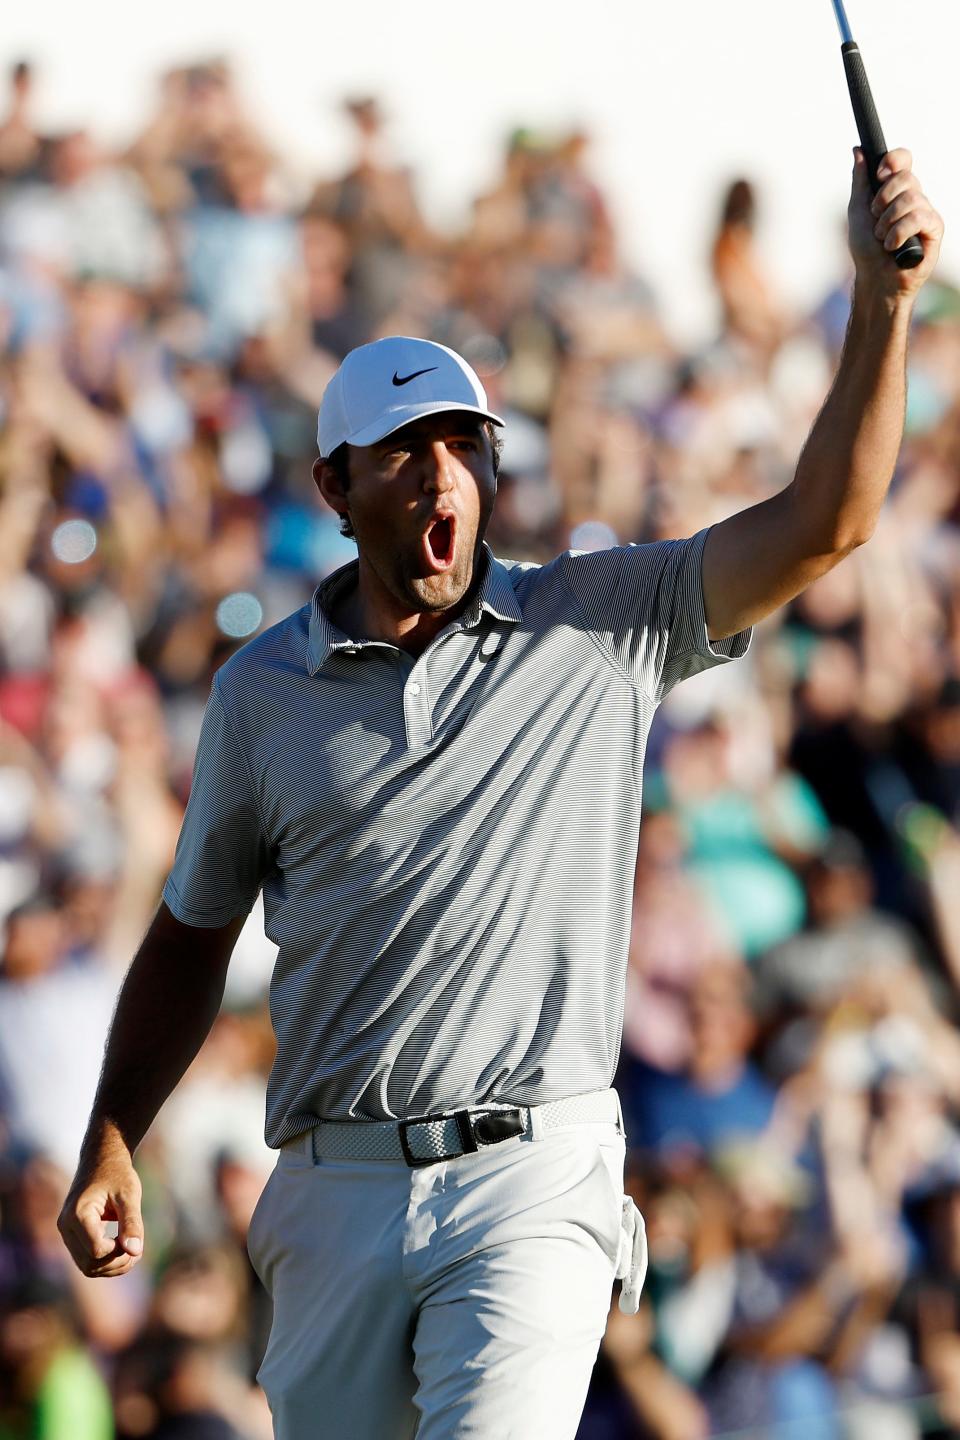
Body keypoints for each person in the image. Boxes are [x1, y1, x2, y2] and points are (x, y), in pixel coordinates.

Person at [58, 146, 942, 1440]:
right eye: (401, 452)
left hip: (534, 1178)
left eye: (463, 446)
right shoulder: (262, 694)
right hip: (332, 1185)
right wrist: (115, 1132)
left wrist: (883, 301)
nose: (440, 477)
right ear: (333, 490)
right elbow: (194, 936)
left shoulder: (604, 620)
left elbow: (826, 519)